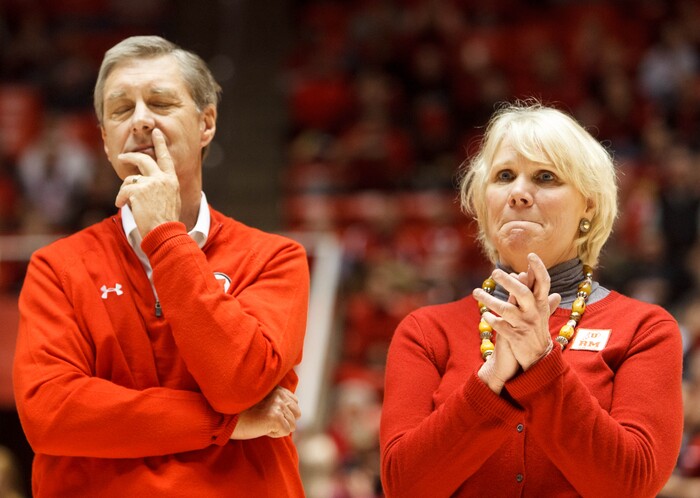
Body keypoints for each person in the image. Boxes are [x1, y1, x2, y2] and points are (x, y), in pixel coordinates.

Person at [13, 35, 309, 497]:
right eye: (120, 109)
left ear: (206, 123)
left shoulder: (275, 258)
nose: (140, 120)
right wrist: (225, 426)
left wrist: (165, 236)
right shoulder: (56, 267)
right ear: (105, 139)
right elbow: (50, 415)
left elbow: (237, 383)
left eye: (160, 102)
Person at [379, 101, 684, 497]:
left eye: (545, 177)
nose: (519, 193)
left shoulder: (646, 329)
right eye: (504, 176)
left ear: (588, 204)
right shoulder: (424, 332)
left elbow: (631, 484)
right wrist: (489, 382)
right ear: (484, 202)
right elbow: (404, 487)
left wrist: (540, 362)